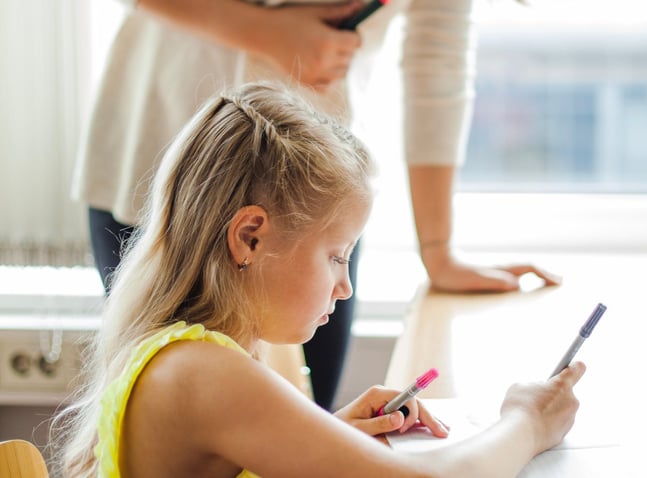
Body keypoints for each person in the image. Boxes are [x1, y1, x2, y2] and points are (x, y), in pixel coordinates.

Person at [66, 0, 560, 409]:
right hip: (163, 173)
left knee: (306, 433)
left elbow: (438, 55)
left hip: (312, 207)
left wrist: (438, 250)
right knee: (176, 433)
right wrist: (269, 32)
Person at [55, 81, 585, 478]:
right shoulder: (202, 373)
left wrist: (333, 435)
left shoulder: (191, 357)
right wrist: (527, 422)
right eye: (336, 256)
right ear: (251, 237)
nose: (345, 286)